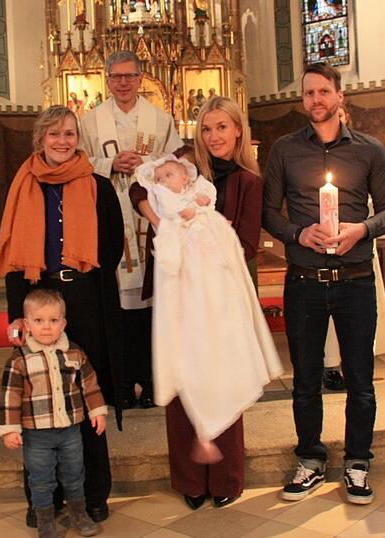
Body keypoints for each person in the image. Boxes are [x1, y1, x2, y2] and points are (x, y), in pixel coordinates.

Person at [262, 62, 385, 505]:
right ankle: (311, 459)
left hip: (355, 279)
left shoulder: (370, 150)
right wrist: (298, 233)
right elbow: (269, 213)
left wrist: (362, 229)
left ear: (340, 95)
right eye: (308, 94)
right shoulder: (284, 150)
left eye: (324, 92)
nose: (316, 100)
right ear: (302, 99)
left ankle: (358, 462)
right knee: (305, 380)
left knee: (360, 380)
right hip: (304, 280)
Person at [131, 96, 274, 511]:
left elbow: (247, 244)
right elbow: (142, 184)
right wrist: (160, 220)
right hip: (178, 292)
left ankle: (226, 476)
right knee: (182, 381)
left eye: (222, 127)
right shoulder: (182, 162)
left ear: (238, 131)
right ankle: (190, 479)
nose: (213, 136)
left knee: (221, 379)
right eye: (206, 128)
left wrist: (202, 229)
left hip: (220, 296)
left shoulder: (248, 182)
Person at [0, 105, 125, 526]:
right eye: (54, 135)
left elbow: (114, 246)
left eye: (69, 133)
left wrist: (86, 279)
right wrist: (19, 313)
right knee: (38, 399)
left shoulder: (99, 186)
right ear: (40, 139)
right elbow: (15, 253)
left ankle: (94, 493)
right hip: (39, 297)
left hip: (85, 297)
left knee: (86, 395)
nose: (62, 141)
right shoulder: (22, 186)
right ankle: (43, 498)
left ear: (77, 138)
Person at [79, 50, 183, 410]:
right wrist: (109, 162)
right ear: (106, 80)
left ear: (141, 79)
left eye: (130, 76)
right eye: (116, 76)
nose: (123, 83)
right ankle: (121, 384)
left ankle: (152, 380)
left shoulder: (160, 119)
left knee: (154, 306)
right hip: (109, 218)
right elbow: (77, 162)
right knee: (116, 309)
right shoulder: (90, 123)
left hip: (150, 220)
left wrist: (149, 165)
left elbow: (177, 164)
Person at [0, 289, 106, 538]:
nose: (46, 327)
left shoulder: (74, 353)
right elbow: (9, 397)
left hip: (70, 430)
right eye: (38, 321)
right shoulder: (19, 360)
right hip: (37, 434)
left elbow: (89, 384)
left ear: (63, 323)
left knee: (75, 473)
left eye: (53, 321)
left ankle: (79, 513)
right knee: (41, 479)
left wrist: (97, 411)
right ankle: (45, 520)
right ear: (26, 324)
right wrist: (10, 429)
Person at [322, 104, 385, 392]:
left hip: (360, 248)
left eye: (339, 117)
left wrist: (363, 228)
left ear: (346, 120)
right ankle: (330, 364)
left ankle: (362, 357)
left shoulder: (365, 152)